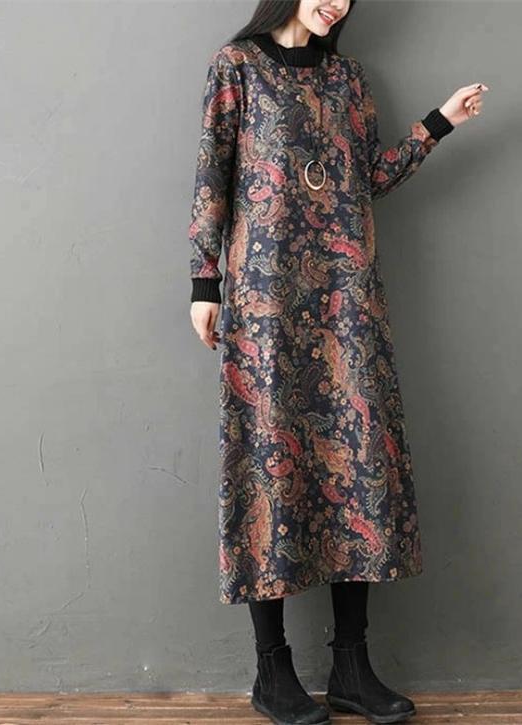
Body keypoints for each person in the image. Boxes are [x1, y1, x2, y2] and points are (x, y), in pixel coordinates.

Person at [187, 1, 488, 722]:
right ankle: (272, 671)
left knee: (354, 464)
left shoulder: (348, 78)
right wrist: (204, 282)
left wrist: (439, 122)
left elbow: (367, 177)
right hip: (265, 298)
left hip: (345, 299)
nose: (339, 2)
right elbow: (211, 177)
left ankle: (352, 666)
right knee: (268, 467)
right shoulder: (237, 67)